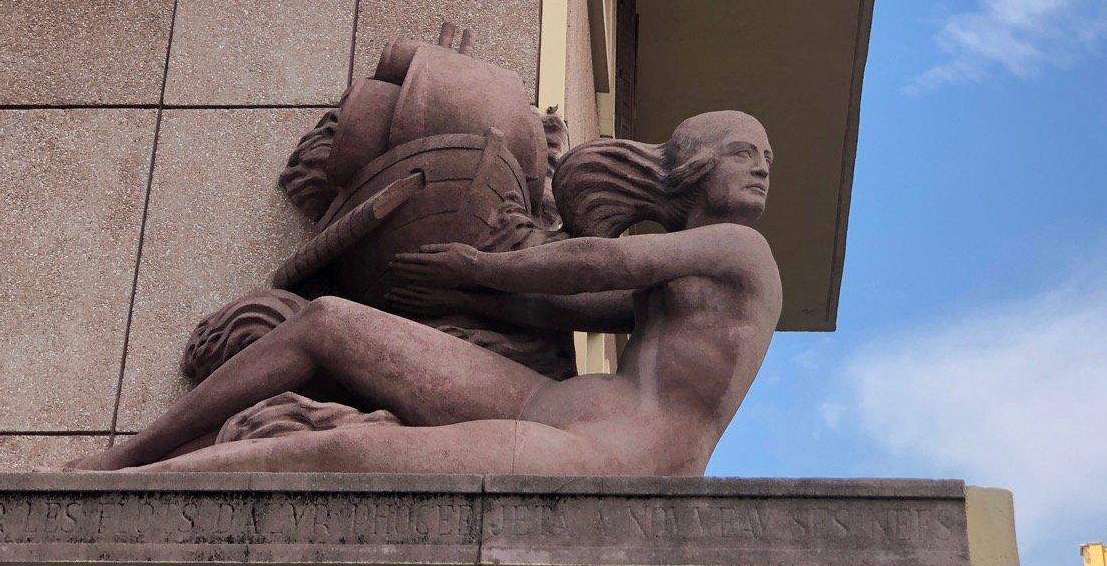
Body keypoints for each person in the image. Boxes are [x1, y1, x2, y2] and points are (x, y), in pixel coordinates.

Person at [64, 111, 781, 475]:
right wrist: (461, 275)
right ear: (690, 166)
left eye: (767, 160)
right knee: (328, 323)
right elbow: (569, 303)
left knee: (341, 458)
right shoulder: (685, 283)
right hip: (559, 409)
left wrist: (478, 264)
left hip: (611, 459)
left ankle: (129, 487)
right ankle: (121, 459)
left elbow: (596, 263)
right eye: (743, 154)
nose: (762, 171)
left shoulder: (741, 252)